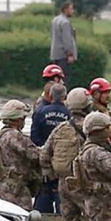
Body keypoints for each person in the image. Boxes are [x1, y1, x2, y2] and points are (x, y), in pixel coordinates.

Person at [39, 87, 92, 221]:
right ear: (87, 105)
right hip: (86, 185)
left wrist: (54, 177)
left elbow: (44, 156)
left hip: (64, 184)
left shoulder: (60, 129)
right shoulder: (93, 127)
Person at [0, 100, 41, 211]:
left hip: (3, 185)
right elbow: (36, 155)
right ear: (18, 119)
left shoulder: (1, 135)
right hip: (17, 187)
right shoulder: (16, 136)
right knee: (23, 218)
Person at [32, 83, 70, 214]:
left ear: (50, 95)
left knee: (41, 208)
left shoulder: (40, 112)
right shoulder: (69, 114)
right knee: (64, 210)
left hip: (44, 166)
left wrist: (45, 150)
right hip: (64, 164)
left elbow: (34, 138)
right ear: (65, 96)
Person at [89, 78, 111, 148]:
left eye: (108, 92)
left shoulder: (107, 111)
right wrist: (110, 139)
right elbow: (92, 136)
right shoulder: (92, 113)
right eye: (105, 92)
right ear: (96, 94)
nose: (108, 96)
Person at [50, 1, 77, 87]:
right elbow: (67, 39)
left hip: (55, 53)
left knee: (55, 78)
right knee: (64, 78)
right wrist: (70, 54)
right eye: (71, 9)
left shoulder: (55, 20)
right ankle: (63, 96)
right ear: (65, 10)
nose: (73, 11)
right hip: (63, 55)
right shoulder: (65, 22)